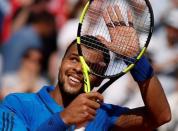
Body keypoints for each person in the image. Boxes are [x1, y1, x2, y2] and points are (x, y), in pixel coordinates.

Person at [0, 7, 171, 131]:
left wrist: (135, 58)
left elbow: (160, 116)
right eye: (75, 59)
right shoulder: (17, 104)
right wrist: (64, 118)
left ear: (101, 79)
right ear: (61, 62)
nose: (80, 69)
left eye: (92, 67)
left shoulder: (104, 116)